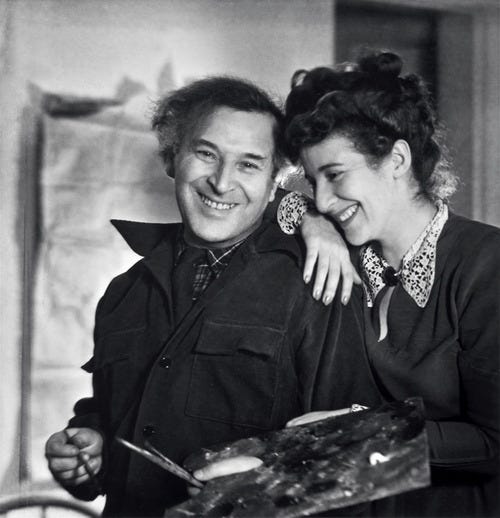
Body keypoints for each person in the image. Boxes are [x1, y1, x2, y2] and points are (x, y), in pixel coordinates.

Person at [45, 76, 375, 517]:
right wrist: (89, 448)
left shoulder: (320, 280)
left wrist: (265, 485)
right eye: (206, 154)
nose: (221, 182)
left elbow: (356, 450)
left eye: (249, 165)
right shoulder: (124, 291)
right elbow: (109, 417)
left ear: (276, 181)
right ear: (171, 158)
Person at [277, 51, 500, 516]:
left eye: (335, 175)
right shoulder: (341, 248)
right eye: (312, 181)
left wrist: (361, 430)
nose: (323, 198)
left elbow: (493, 442)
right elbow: (248, 197)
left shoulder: (486, 264)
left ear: (397, 159)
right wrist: (309, 218)